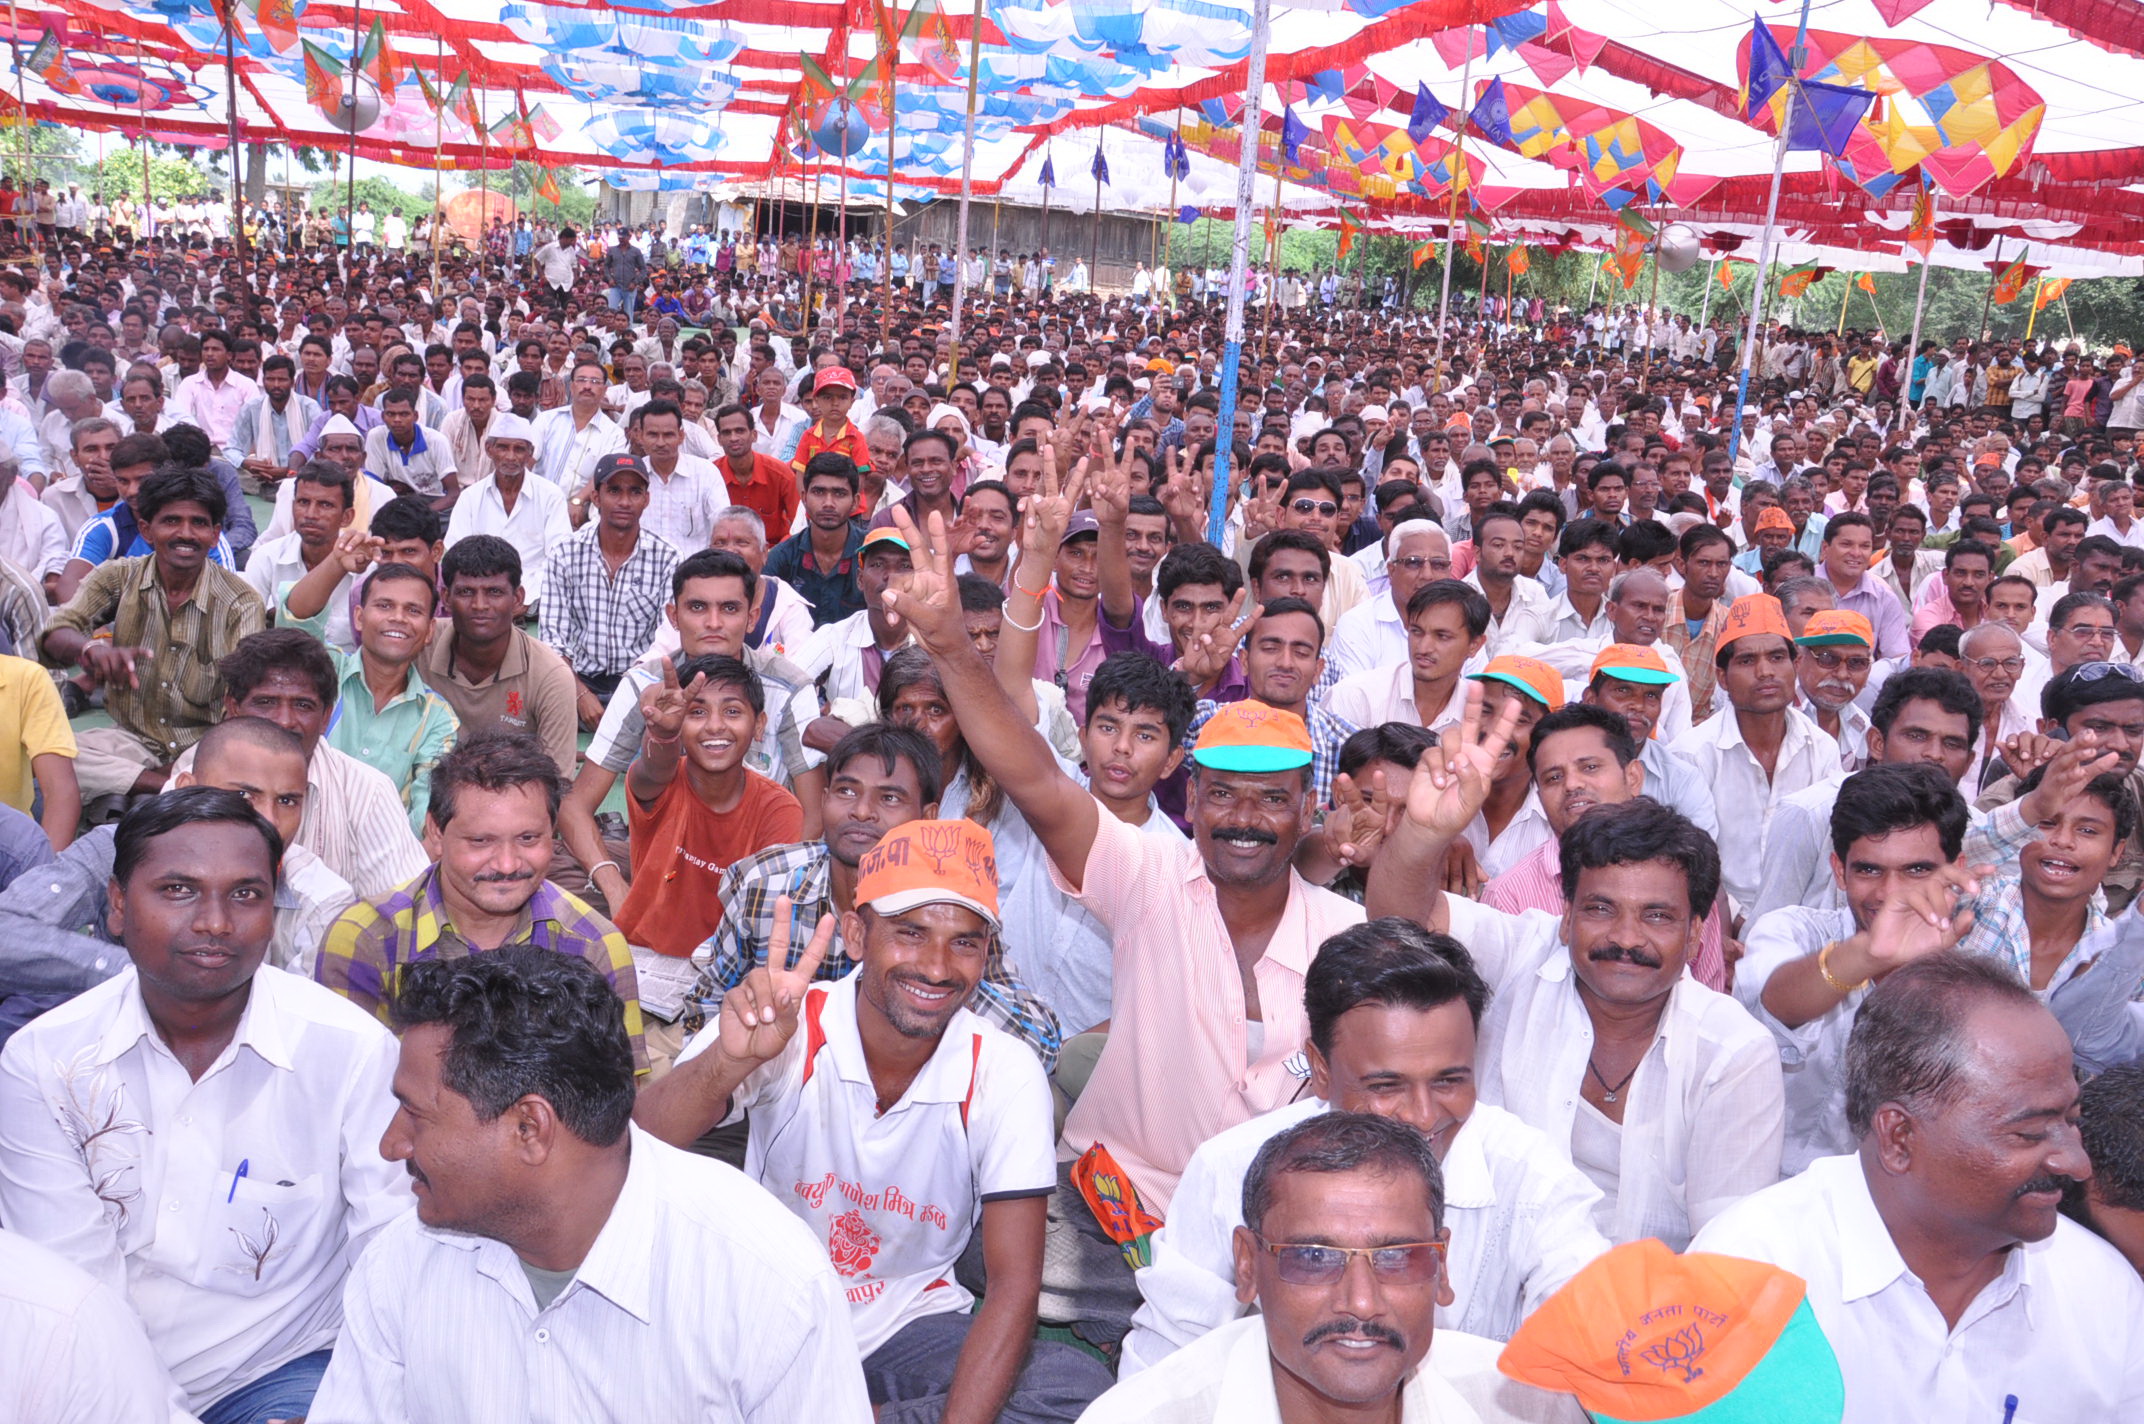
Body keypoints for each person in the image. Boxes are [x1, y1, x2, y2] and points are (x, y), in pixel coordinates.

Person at [881, 504, 1364, 1343]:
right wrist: (955, 647)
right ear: (1194, 797)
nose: (1243, 817)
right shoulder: (1148, 872)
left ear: (1306, 809)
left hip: (1272, 1242)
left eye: (1270, 799)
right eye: (1224, 794)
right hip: (1112, 1210)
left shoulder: (1339, 937)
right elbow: (1031, 774)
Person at [637, 819, 1116, 1422]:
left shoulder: (1003, 1069)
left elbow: (1013, 1286)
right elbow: (638, 1143)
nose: (938, 968)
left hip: (906, 1326)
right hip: (765, 1312)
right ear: (859, 934)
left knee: (1074, 1385)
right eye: (910, 933)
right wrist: (726, 1064)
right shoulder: (789, 1023)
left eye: (964, 942)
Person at [307, 948, 874, 1423]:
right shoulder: (400, 1266)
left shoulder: (768, 1281)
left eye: (415, 1114)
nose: (392, 1145)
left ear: (530, 1128)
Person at [0, 789, 406, 1424]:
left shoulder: (350, 1053)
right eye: (178, 891)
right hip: (87, 1375)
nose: (216, 922)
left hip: (278, 1373)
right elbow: (74, 1289)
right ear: (116, 905)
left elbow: (392, 1262)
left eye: (245, 894)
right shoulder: (42, 1063)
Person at [1362, 702, 1785, 1249]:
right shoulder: (1522, 957)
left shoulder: (1732, 1053)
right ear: (1565, 918)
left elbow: (1727, 1255)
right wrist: (1423, 834)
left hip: (1645, 1320)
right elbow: (1399, 923)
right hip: (1485, 1289)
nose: (1627, 939)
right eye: (1600, 909)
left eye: (1657, 916)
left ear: (1698, 934)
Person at [1122, 918, 1608, 1371]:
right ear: (1320, 1069)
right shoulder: (1228, 1171)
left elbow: (1592, 1338)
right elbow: (1160, 1369)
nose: (1422, 1115)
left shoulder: (1532, 1180)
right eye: (1385, 1086)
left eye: (1448, 1081)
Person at [1691, 952, 2144, 1420]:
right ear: (1899, 1138)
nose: (2075, 1163)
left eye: (2071, 1122)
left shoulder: (2105, 1294)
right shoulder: (1746, 1274)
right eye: (2029, 1134)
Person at [1077, 1113, 1479, 1424]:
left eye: (1397, 1256)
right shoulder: (1146, 1417)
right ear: (1248, 1265)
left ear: (1441, 1265)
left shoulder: (1517, 1404)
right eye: (1314, 1257)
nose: (1360, 1301)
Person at [314, 730, 650, 1070]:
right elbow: (340, 1094)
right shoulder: (364, 939)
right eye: (480, 840)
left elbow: (616, 1104)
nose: (507, 864)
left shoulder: (595, 946)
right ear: (436, 831)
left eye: (528, 838)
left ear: (554, 833)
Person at [41, 466, 265, 802]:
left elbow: (245, 702)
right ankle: (164, 786)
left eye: (199, 523)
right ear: (147, 529)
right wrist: (91, 650)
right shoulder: (119, 577)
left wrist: (193, 761)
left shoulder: (242, 603)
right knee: (48, 755)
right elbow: (55, 633)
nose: (186, 534)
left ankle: (148, 787)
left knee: (241, 764)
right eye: (171, 521)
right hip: (131, 739)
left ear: (216, 533)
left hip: (203, 745)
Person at [1669, 593, 1843, 921]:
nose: (1765, 672)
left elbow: (1826, 859)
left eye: (1777, 657)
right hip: (1713, 921)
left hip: (1802, 925)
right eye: (1747, 661)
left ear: (1797, 665)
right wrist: (1732, 922)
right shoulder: (1691, 755)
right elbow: (1687, 860)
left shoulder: (1822, 749)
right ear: (1722, 676)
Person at [540, 452, 681, 723]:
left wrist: (632, 693)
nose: (625, 502)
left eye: (635, 492)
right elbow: (552, 639)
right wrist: (579, 694)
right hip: (576, 683)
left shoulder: (667, 557)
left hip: (643, 684)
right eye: (614, 491)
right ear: (596, 497)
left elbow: (668, 641)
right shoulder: (565, 553)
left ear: (646, 500)